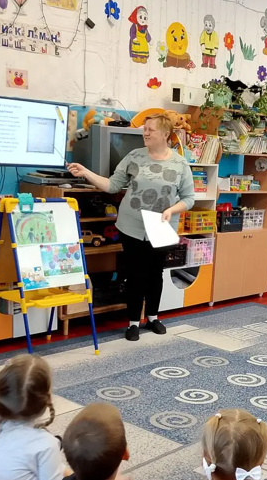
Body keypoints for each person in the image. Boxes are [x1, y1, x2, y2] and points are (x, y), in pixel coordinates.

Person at [67, 114, 195, 342]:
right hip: (132, 226)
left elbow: (189, 198)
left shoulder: (180, 164)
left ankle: (153, 318)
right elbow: (112, 185)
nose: (145, 133)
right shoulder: (134, 157)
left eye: (150, 130)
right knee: (135, 274)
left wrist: (172, 210)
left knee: (156, 274)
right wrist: (86, 172)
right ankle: (133, 322)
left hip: (162, 228)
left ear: (165, 134)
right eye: (145, 129)